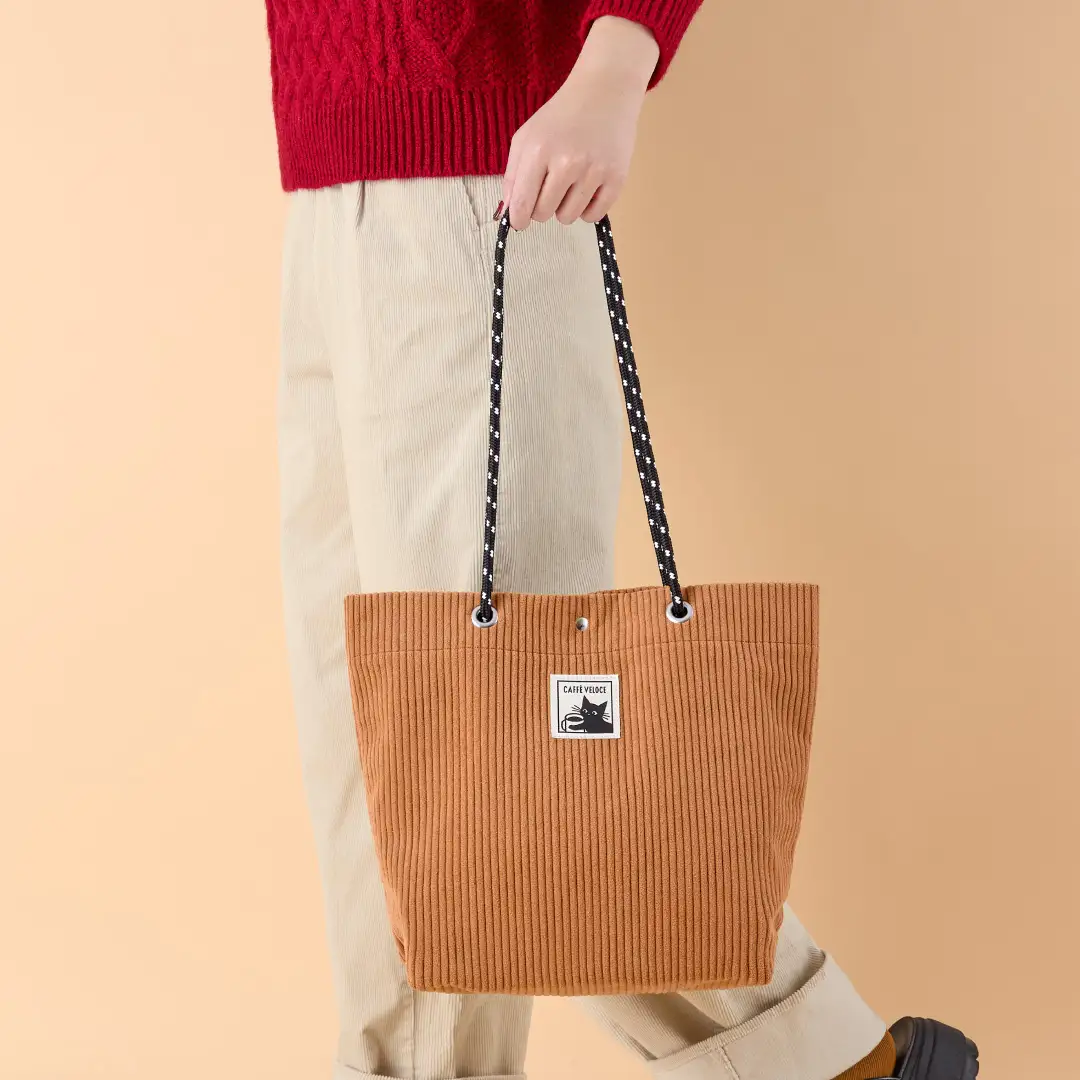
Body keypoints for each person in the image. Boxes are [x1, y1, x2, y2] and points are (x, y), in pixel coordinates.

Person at [263, 4, 977, 1079]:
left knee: (517, 729)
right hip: (329, 192)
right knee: (375, 743)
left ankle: (830, 1062)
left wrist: (613, 66)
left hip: (485, 182)